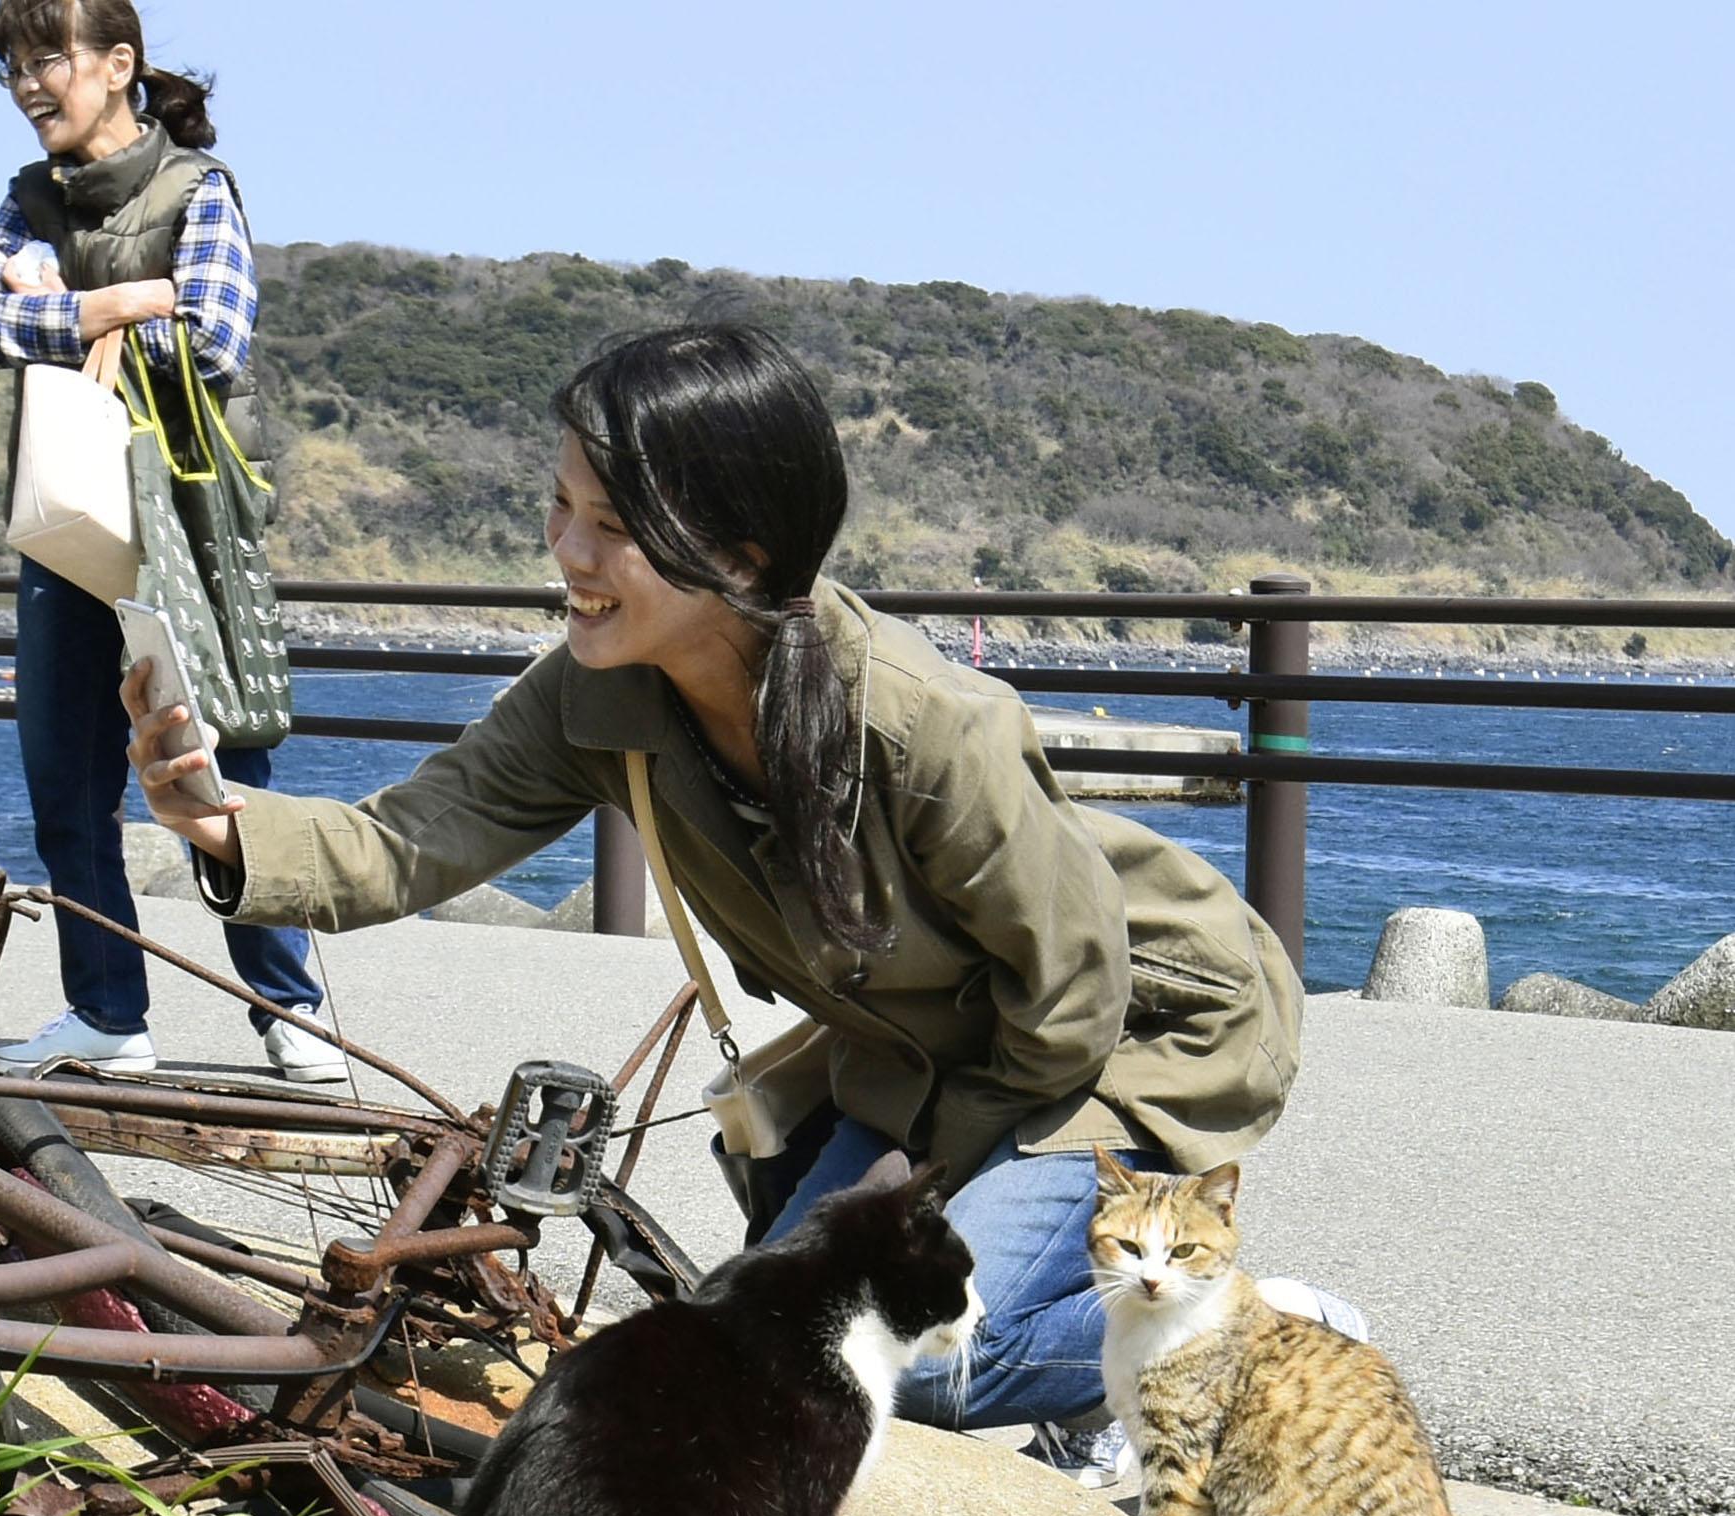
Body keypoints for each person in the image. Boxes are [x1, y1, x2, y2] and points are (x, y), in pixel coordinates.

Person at [125, 322, 1359, 1450]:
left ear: (736, 550)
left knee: (916, 1359)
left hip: (1122, 1030)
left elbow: (1071, 995)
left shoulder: (923, 722)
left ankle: (1256, 1331)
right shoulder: (593, 693)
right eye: (558, 510)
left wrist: (917, 1185)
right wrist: (219, 821)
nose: (566, 553)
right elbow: (408, 839)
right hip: (931, 1048)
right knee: (768, 1337)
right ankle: (1084, 1370)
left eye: (607, 525)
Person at [0, 0, 345, 1085]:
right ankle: (105, 1013)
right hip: (72, 512)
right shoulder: (25, 196)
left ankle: (290, 1009)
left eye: (48, 59)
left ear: (117, 64)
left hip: (184, 513)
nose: (30, 84)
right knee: (63, 780)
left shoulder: (197, 188)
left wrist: (65, 300)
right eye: (12, 67)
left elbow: (212, 339)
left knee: (217, 754)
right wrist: (124, 299)